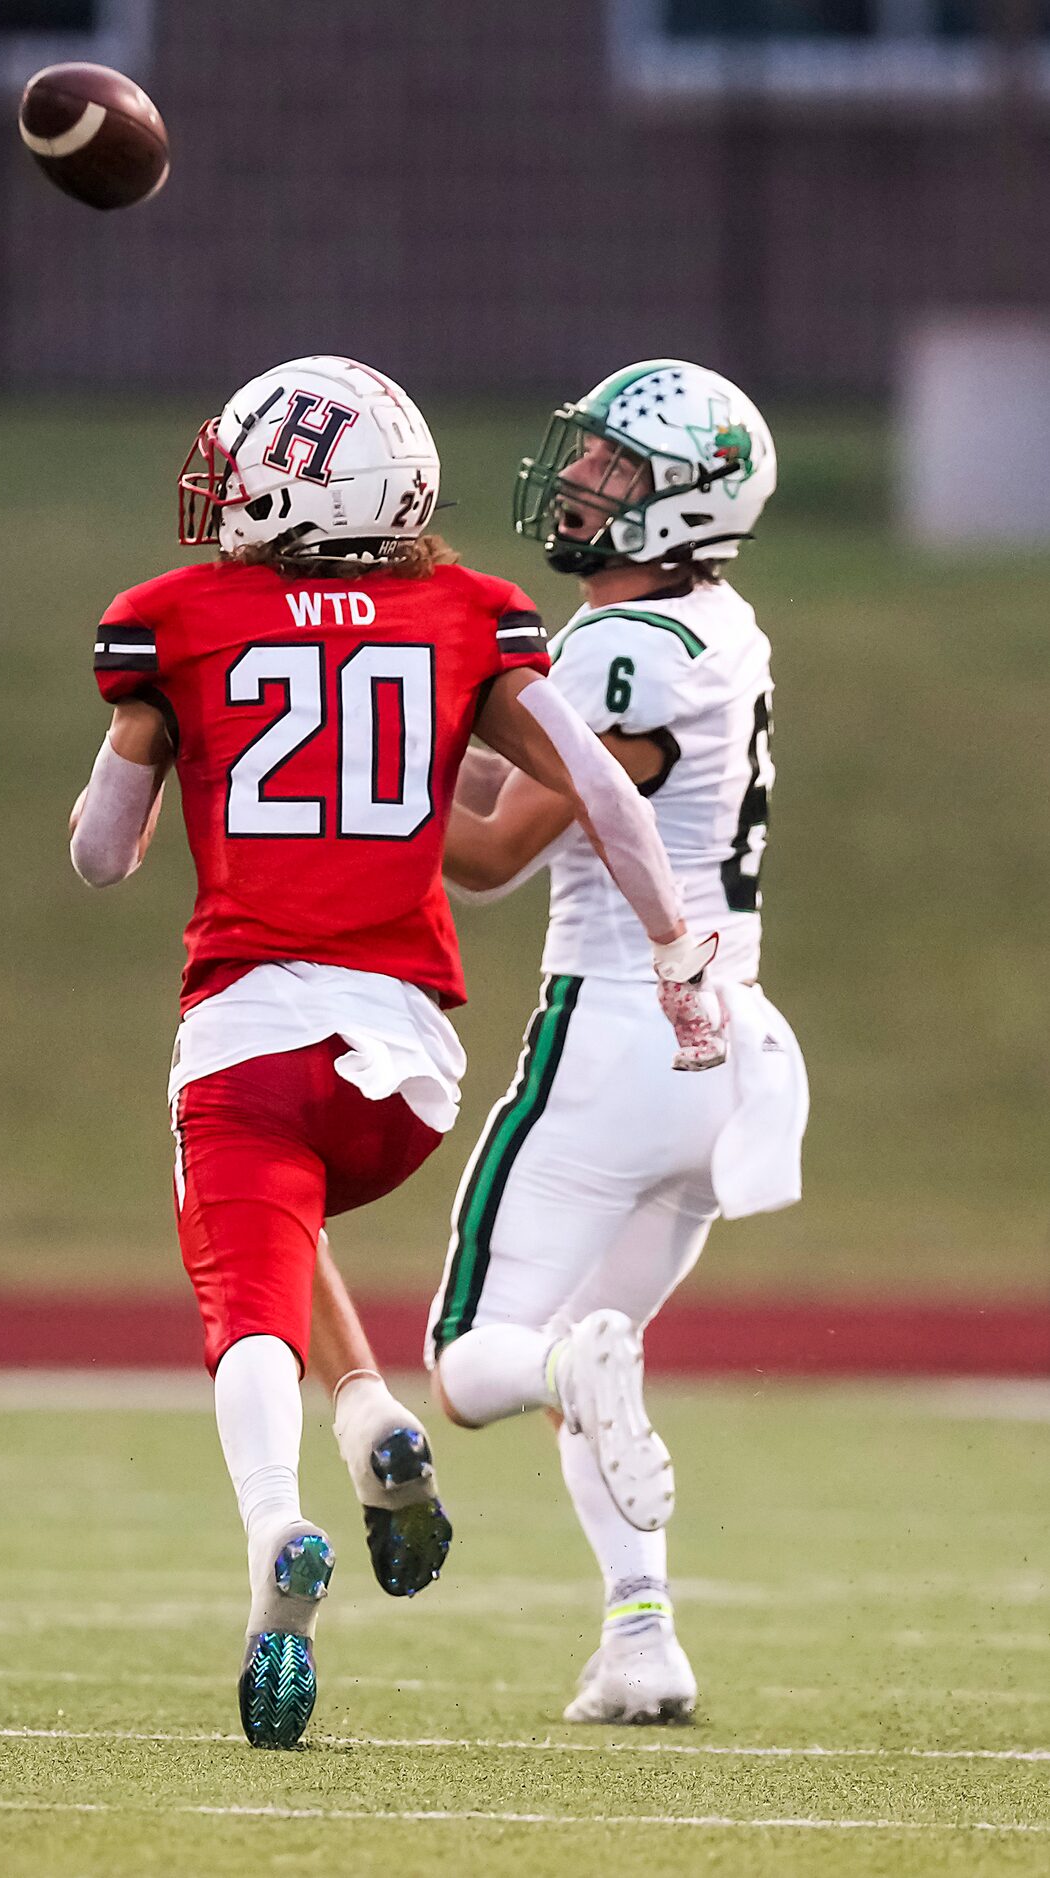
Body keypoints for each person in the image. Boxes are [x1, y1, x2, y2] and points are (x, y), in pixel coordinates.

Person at [67, 354, 724, 1750]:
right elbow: (599, 790)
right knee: (287, 1197)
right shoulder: (465, 610)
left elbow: (100, 858)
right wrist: (678, 955)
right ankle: (370, 1421)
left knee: (239, 1266)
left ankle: (272, 1536)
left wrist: (141, 737)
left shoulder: (175, 621)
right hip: (406, 1067)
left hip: (249, 1032)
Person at [428, 359, 809, 1725]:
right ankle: (640, 1637)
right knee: (594, 1352)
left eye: (615, 472)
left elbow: (481, 854)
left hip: (612, 1030)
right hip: (724, 1053)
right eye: (583, 458)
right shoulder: (716, 629)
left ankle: (559, 1372)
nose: (581, 484)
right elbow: (502, 767)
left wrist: (297, 783)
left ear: (685, 506)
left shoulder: (616, 652)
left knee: (477, 1358)